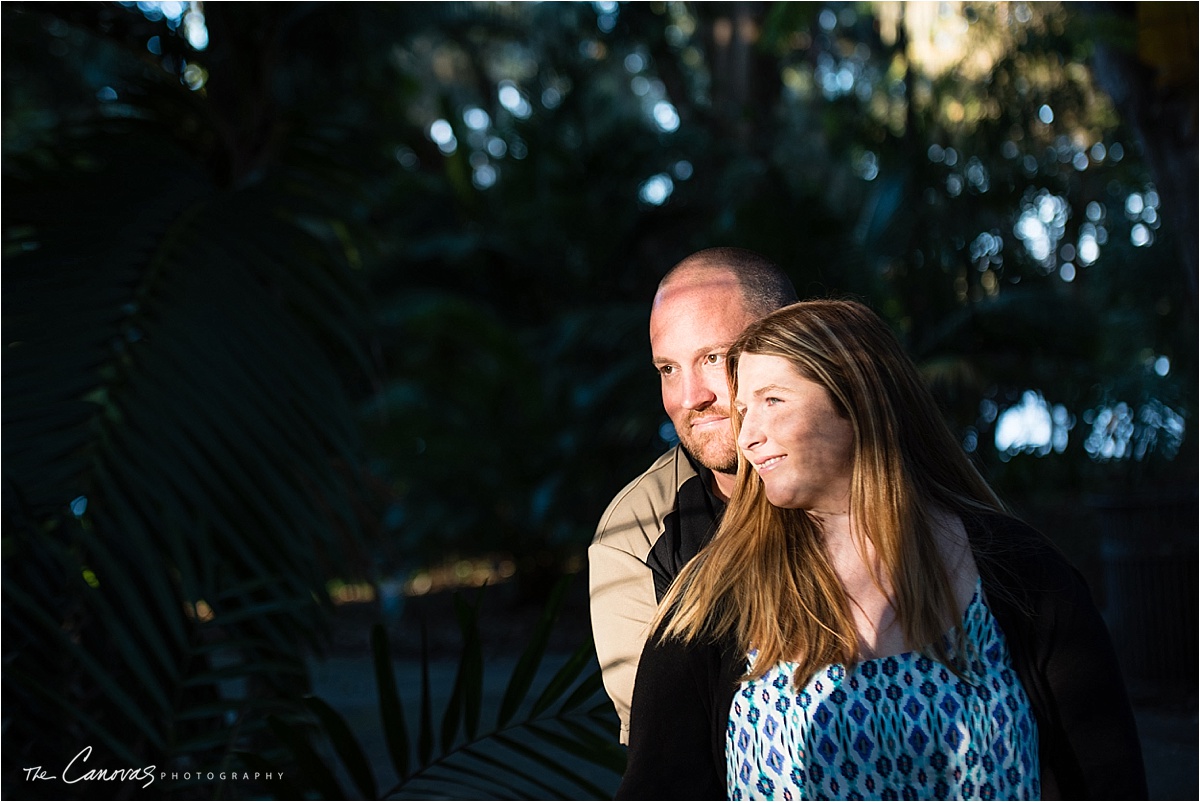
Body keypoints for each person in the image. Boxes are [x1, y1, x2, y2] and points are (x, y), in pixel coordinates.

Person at [618, 299, 1147, 800]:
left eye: (773, 401)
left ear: (859, 402)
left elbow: (1109, 779)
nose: (748, 434)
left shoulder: (1022, 574)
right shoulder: (713, 601)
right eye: (743, 409)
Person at [589, 248, 798, 744]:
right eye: (668, 369)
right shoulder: (636, 532)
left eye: (713, 358)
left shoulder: (886, 480)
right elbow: (669, 757)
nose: (690, 398)